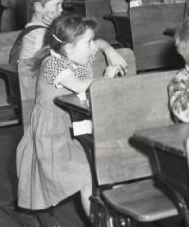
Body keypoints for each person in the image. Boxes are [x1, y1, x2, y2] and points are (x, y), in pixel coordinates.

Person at [16, 14, 126, 218]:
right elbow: (79, 86)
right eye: (88, 43)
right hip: (52, 135)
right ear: (68, 48)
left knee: (109, 164)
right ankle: (98, 222)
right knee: (86, 176)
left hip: (75, 124)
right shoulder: (53, 64)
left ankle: (114, 213)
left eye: (91, 41)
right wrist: (107, 76)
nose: (92, 47)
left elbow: (99, 43)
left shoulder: (77, 55)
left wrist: (108, 49)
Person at [19, 0, 127, 71]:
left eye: (61, 5)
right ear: (39, 7)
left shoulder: (53, 28)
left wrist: (108, 49)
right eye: (57, 5)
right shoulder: (38, 34)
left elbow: (85, 44)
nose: (61, 9)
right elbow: (52, 64)